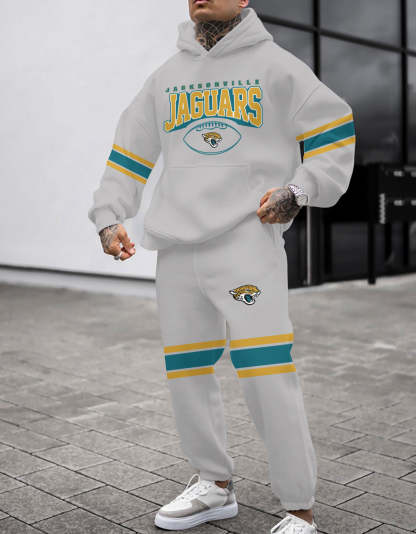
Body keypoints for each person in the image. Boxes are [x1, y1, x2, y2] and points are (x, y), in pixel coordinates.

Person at [88, 1, 356, 532]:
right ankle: (214, 484)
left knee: (265, 370)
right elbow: (129, 152)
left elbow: (334, 128)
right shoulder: (167, 76)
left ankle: (299, 509)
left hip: (245, 241)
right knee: (187, 372)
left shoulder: (277, 67)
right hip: (176, 248)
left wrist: (299, 189)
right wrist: (109, 215)